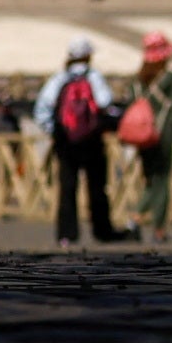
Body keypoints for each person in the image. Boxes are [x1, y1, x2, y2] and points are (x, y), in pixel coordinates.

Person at [37, 34, 122, 244]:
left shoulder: (59, 78)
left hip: (65, 143)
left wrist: (55, 131)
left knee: (67, 188)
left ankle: (66, 234)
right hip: (92, 142)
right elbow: (105, 102)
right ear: (88, 56)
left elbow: (42, 108)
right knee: (97, 187)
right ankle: (102, 231)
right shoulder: (94, 77)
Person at [123, 30, 172, 237]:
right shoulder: (171, 79)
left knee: (149, 178)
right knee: (161, 180)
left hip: (140, 136)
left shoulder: (137, 81)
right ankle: (157, 227)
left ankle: (136, 220)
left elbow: (130, 106)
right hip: (161, 135)